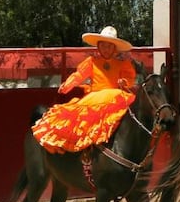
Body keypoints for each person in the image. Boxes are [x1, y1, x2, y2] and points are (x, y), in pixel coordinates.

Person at [33, 26, 138, 154]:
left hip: (116, 99)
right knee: (84, 124)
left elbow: (129, 77)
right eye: (103, 46)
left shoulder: (123, 64)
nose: (106, 49)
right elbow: (79, 75)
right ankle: (87, 153)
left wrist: (124, 82)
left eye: (109, 46)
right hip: (96, 99)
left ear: (114, 48)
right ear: (98, 46)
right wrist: (68, 85)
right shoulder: (92, 62)